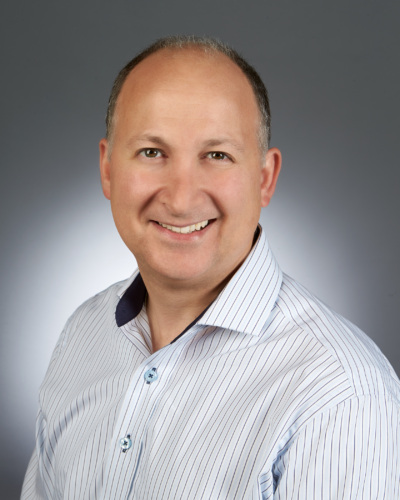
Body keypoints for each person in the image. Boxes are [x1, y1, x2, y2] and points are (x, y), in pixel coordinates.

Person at [22, 35, 399, 499]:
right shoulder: (83, 335)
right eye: (152, 152)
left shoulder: (339, 393)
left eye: (217, 155)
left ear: (265, 179)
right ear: (107, 169)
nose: (181, 198)